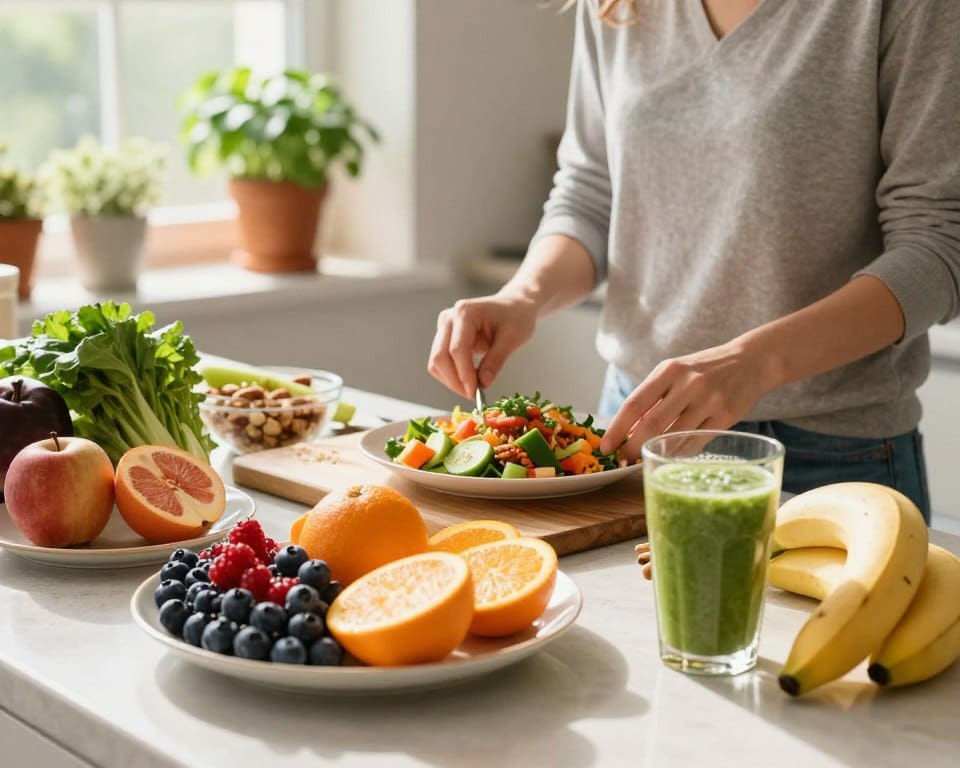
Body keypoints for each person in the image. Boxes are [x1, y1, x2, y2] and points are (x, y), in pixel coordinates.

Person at [427, 0, 960, 523]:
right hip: (638, 429)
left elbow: (937, 245)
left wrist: (754, 363)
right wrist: (522, 297)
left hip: (829, 450)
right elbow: (591, 194)